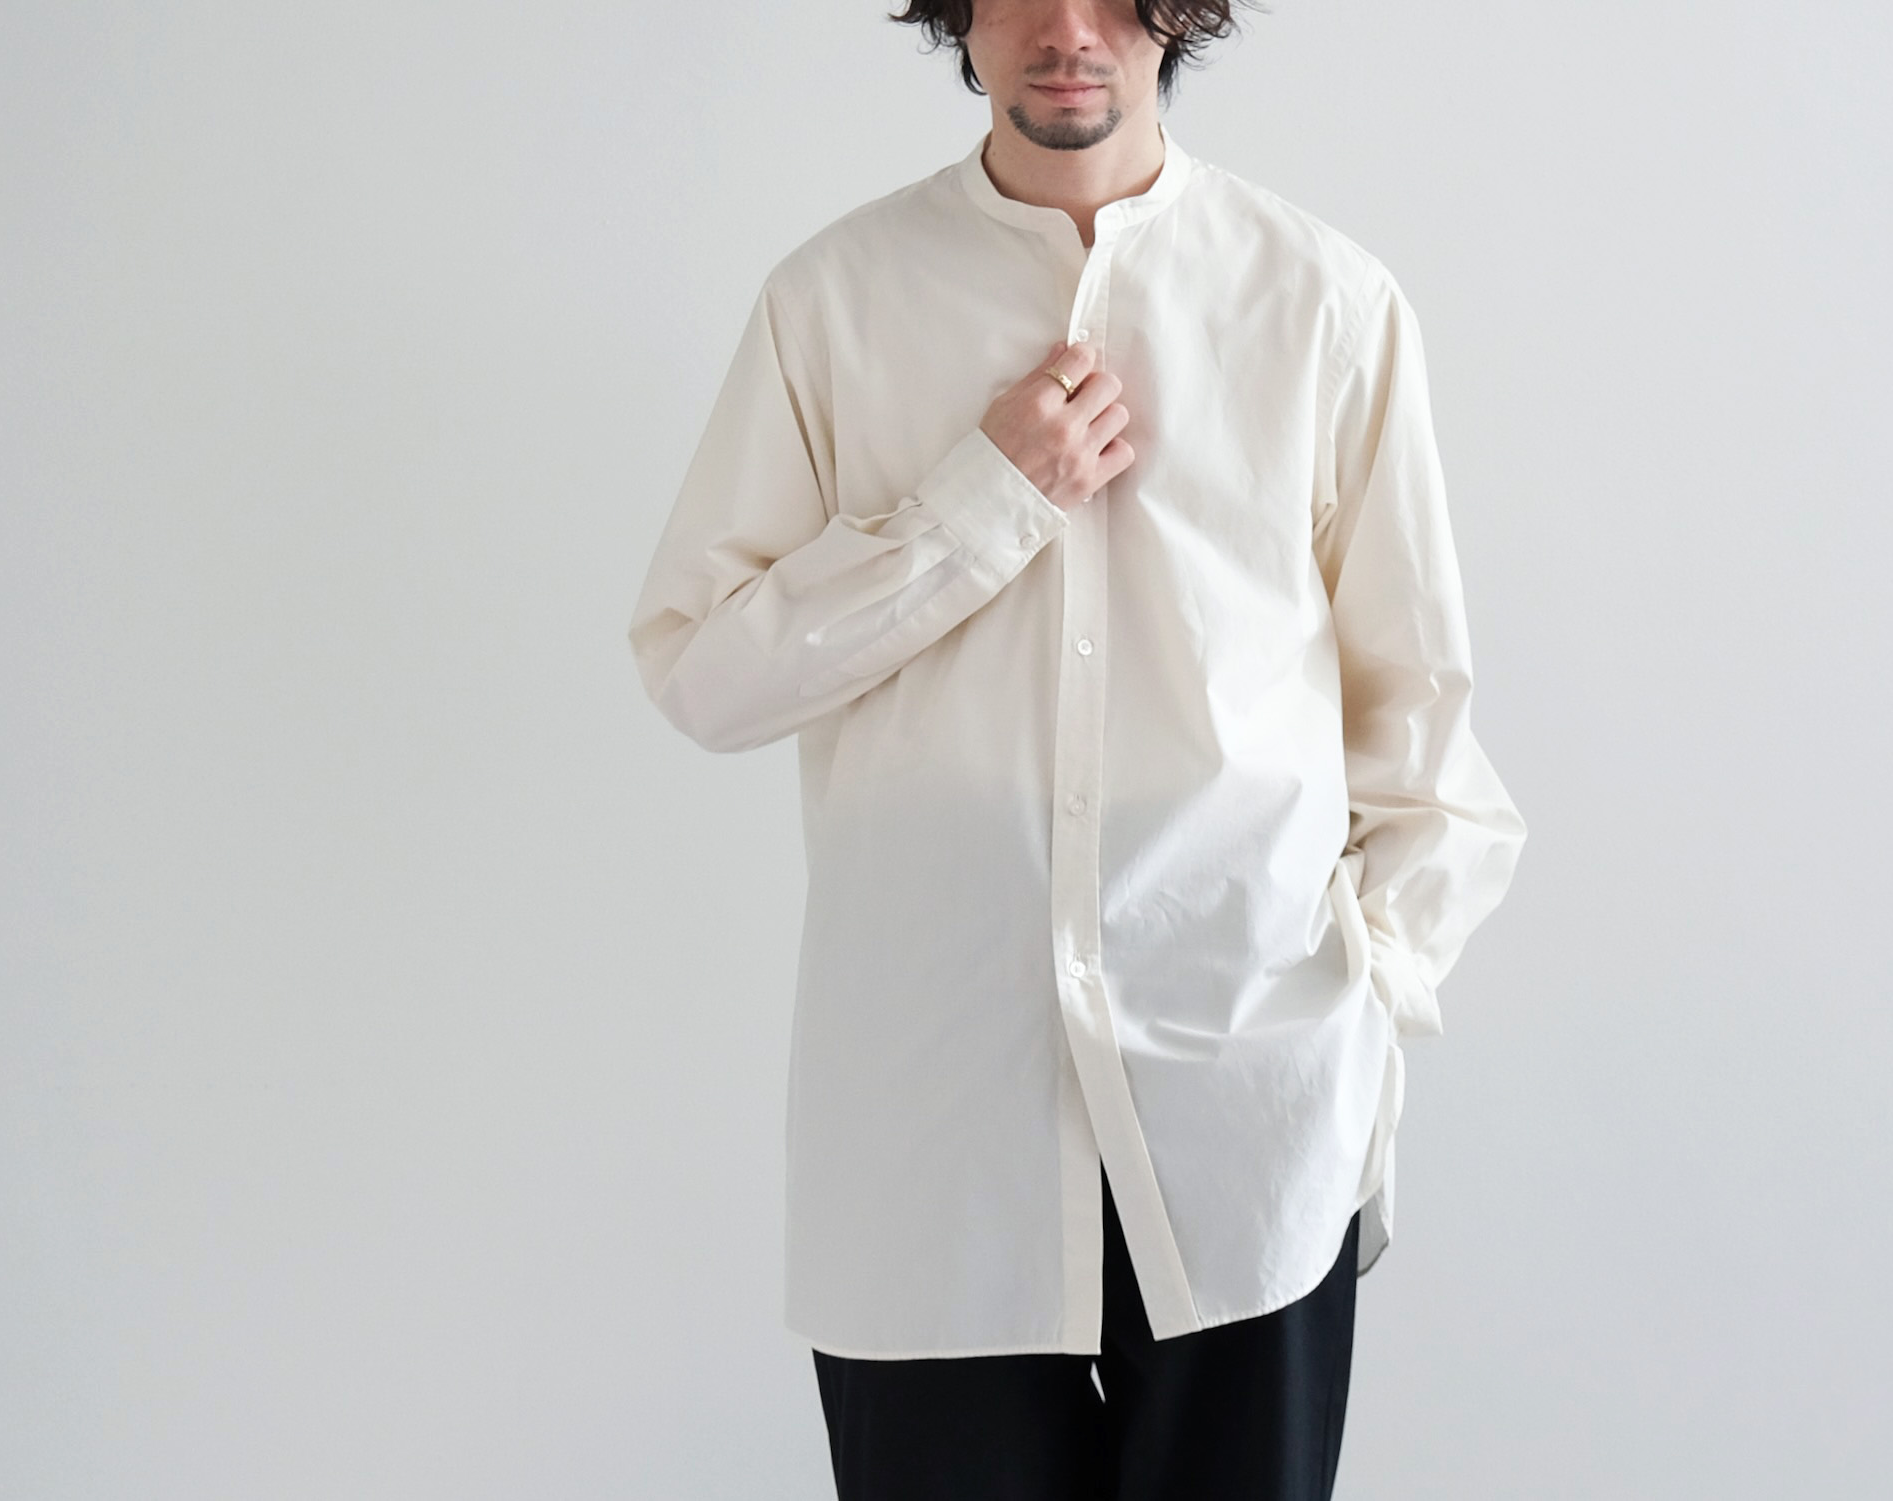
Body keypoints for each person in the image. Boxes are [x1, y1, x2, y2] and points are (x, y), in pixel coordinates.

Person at [626, 1, 1527, 1494]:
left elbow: (1420, 729)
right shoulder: (832, 303)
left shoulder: (1324, 303)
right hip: (929, 1136)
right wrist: (982, 499)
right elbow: (705, 675)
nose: (1066, 28)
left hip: (1249, 1119)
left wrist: (1358, 1005)